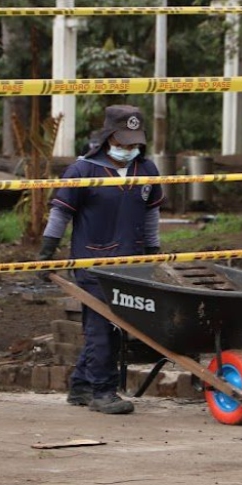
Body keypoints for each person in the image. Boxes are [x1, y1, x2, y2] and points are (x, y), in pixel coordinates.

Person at [36, 105, 165, 415]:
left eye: (134, 144)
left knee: (113, 325)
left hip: (132, 263)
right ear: (108, 137)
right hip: (92, 264)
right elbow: (60, 213)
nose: (128, 150)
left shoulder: (146, 170)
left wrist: (153, 251)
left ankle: (81, 386)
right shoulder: (83, 170)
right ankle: (102, 391)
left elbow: (151, 213)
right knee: (101, 327)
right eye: (123, 144)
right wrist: (46, 252)